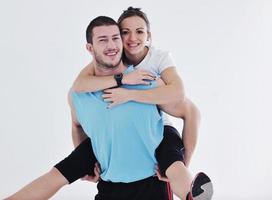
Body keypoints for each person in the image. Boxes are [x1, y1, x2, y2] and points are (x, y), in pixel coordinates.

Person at [5, 14, 213, 200]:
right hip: (110, 188)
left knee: (173, 160)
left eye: (115, 38)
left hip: (152, 183)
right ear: (90, 48)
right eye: (103, 40)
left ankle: (190, 192)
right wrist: (86, 164)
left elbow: (189, 110)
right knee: (56, 175)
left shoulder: (145, 79)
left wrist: (186, 161)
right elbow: (77, 126)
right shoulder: (78, 94)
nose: (112, 45)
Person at [73, 7, 213, 200]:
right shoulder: (113, 55)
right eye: (125, 32)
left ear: (149, 36)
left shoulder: (158, 59)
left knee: (172, 159)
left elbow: (179, 93)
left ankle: (191, 191)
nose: (132, 38)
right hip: (130, 137)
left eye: (139, 31)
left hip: (159, 125)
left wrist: (129, 95)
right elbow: (80, 85)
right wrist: (121, 79)